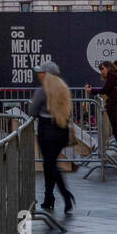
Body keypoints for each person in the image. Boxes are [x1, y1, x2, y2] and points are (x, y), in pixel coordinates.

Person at [27, 61, 75, 213]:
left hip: (46, 130)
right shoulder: (64, 89)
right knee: (50, 164)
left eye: (41, 73)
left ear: (47, 75)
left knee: (50, 165)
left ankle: (65, 195)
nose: (38, 75)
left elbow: (33, 110)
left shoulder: (42, 91)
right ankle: (49, 197)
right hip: (61, 130)